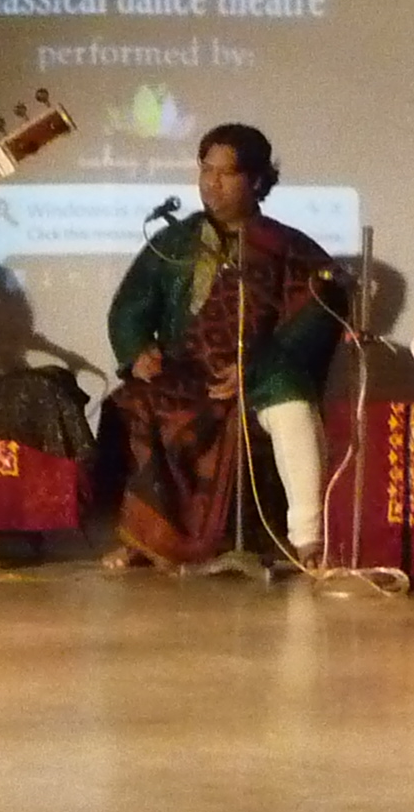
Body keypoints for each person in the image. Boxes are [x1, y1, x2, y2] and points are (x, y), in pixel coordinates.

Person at [99, 124, 346, 570]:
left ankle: (309, 541)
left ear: (255, 180)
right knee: (134, 404)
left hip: (263, 371)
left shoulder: (287, 246)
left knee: (291, 404)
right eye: (205, 170)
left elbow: (318, 311)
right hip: (185, 373)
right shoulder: (174, 242)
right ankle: (145, 539)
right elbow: (130, 306)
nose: (211, 183)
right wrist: (137, 352)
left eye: (225, 173)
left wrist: (252, 367)